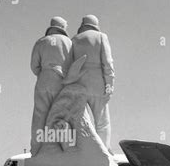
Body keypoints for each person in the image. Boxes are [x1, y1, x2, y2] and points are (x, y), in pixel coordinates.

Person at [30, 16, 72, 156]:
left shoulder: (41, 42)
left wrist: (44, 73)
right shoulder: (70, 43)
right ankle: (63, 150)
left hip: (44, 79)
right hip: (62, 81)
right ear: (63, 28)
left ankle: (36, 150)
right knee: (62, 116)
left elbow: (34, 66)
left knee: (40, 115)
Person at [71, 15, 115, 150]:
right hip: (98, 85)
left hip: (79, 84)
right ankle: (103, 151)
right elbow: (108, 63)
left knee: (81, 120)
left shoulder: (74, 40)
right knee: (102, 122)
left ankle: (84, 150)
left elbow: (70, 65)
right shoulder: (101, 37)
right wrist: (109, 84)